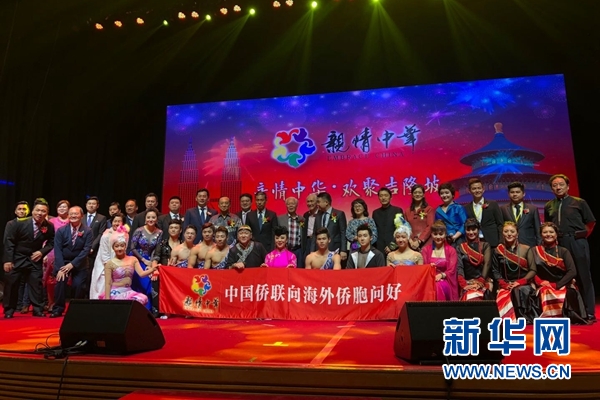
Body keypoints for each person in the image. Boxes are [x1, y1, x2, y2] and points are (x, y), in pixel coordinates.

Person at [544, 174, 596, 323]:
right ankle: (570, 310)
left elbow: (591, 222)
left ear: (568, 186)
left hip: (577, 241)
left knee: (583, 276)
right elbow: (549, 225)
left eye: (561, 184)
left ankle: (589, 312)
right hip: (560, 243)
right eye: (554, 185)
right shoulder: (549, 205)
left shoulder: (579, 202)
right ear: (551, 188)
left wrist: (581, 237)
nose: (558, 187)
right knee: (565, 276)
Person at [3, 198, 55, 318]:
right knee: (12, 284)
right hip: (17, 257)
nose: (40, 213)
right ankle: (9, 310)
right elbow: (9, 242)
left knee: (36, 284)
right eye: (38, 210)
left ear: (47, 213)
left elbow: (52, 242)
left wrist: (42, 252)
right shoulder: (18, 223)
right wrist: (8, 260)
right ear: (32, 211)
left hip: (34, 258)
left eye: (43, 211)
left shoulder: (49, 226)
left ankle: (38, 309)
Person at [531, 222, 587, 323]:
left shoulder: (563, 251)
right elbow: (532, 270)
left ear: (556, 235)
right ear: (541, 235)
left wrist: (557, 285)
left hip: (562, 284)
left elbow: (572, 271)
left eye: (551, 232)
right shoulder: (534, 251)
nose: (548, 234)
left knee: (569, 293)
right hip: (543, 285)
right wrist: (540, 282)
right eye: (545, 232)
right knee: (542, 292)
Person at [50, 206, 93, 318]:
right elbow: (57, 249)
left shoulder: (88, 231)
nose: (73, 216)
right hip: (63, 262)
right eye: (71, 214)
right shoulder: (61, 230)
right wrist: (61, 268)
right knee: (60, 282)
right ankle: (58, 309)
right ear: (68, 216)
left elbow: (86, 250)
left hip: (80, 263)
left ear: (82, 216)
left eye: (76, 214)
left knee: (78, 285)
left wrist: (72, 264)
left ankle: (75, 309)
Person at [491, 221, 538, 323]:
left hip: (523, 284)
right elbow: (495, 270)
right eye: (506, 231)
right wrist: (504, 284)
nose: (509, 234)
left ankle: (522, 319)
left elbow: (533, 270)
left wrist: (520, 282)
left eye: (512, 231)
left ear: (517, 234)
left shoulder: (526, 249)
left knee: (518, 290)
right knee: (504, 294)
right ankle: (509, 322)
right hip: (505, 284)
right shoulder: (497, 250)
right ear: (502, 233)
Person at [100, 228, 158, 305]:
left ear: (125, 246)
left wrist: (153, 269)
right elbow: (108, 283)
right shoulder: (109, 263)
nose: (119, 248)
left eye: (122, 246)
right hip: (115, 292)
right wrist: (107, 301)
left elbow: (141, 274)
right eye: (117, 246)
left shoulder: (133, 259)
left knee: (142, 299)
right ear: (113, 248)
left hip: (128, 291)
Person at [129, 208, 162, 310]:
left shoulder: (159, 232)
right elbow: (132, 247)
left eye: (153, 217)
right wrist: (143, 260)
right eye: (148, 217)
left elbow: (157, 250)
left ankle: (147, 310)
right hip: (136, 259)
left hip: (150, 260)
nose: (150, 219)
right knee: (140, 284)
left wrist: (151, 263)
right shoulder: (139, 230)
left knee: (149, 285)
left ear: (157, 219)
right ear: (145, 219)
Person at [151, 219, 183, 317]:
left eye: (176, 228)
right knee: (155, 279)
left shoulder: (183, 244)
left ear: (180, 230)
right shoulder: (162, 244)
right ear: (168, 230)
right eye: (171, 228)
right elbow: (155, 259)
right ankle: (158, 310)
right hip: (164, 273)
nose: (173, 230)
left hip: (179, 273)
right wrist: (155, 270)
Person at [43, 200, 71, 312]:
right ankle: (51, 303)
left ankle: (62, 302)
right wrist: (44, 252)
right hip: (51, 252)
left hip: (67, 253)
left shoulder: (72, 221)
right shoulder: (51, 221)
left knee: (65, 280)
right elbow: (46, 238)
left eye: (64, 207)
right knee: (50, 280)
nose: (62, 209)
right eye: (60, 207)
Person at [89, 213, 125, 299]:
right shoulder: (106, 234)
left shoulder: (124, 234)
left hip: (119, 265)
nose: (117, 223)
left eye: (119, 221)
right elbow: (104, 254)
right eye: (115, 221)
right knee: (102, 287)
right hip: (104, 265)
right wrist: (110, 268)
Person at [421, 220, 459, 301]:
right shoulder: (425, 250)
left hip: (445, 280)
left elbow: (452, 270)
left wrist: (441, 275)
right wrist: (429, 268)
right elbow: (423, 269)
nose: (438, 237)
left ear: (445, 235)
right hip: (429, 280)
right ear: (431, 234)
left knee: (438, 286)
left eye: (441, 234)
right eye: (435, 234)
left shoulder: (451, 251)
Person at [457, 218, 492, 301]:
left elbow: (487, 263)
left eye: (473, 229)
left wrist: (481, 281)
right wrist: (464, 284)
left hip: (483, 281)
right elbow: (459, 267)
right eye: (468, 230)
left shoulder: (485, 245)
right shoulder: (460, 247)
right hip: (467, 282)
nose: (471, 232)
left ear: (478, 230)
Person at [464, 178, 503, 247]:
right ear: (469, 191)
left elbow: (500, 224)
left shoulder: (492, 204)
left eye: (479, 188)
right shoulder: (466, 207)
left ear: (483, 189)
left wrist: (501, 241)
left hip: (492, 241)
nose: (477, 190)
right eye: (474, 189)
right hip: (474, 241)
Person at [501, 181, 541, 247]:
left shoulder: (532, 209)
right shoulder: (503, 209)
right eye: (512, 192)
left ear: (523, 194)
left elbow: (538, 230)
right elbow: (501, 228)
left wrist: (539, 246)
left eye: (517, 192)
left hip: (529, 245)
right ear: (508, 194)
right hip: (509, 245)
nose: (515, 194)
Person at [313, 192, 347, 263]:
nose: (317, 204)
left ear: (326, 202)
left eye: (318, 202)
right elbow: (314, 234)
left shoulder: (339, 214)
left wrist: (343, 250)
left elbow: (343, 233)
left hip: (334, 248)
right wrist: (312, 251)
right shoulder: (318, 215)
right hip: (319, 250)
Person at [372, 187, 404, 253]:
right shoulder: (375, 213)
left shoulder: (397, 210)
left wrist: (392, 246)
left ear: (390, 197)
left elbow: (400, 229)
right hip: (379, 247)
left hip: (394, 247)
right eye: (381, 196)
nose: (383, 198)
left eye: (386, 195)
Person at [277, 197, 305, 268]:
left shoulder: (302, 219)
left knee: (299, 271)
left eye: (293, 204)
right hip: (285, 250)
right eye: (288, 204)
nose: (291, 206)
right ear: (286, 206)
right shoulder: (280, 219)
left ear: (297, 205)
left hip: (298, 250)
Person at [405, 184, 434, 251]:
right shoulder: (407, 211)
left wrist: (419, 240)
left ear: (423, 195)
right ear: (412, 195)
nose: (417, 194)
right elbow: (405, 228)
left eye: (420, 192)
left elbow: (430, 226)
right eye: (415, 192)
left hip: (426, 243)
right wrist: (411, 241)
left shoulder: (429, 209)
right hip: (411, 244)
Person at [302, 193, 319, 259]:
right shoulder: (305, 215)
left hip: (318, 241)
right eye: (308, 201)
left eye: (312, 201)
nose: (309, 203)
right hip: (308, 241)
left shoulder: (321, 214)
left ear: (317, 202)